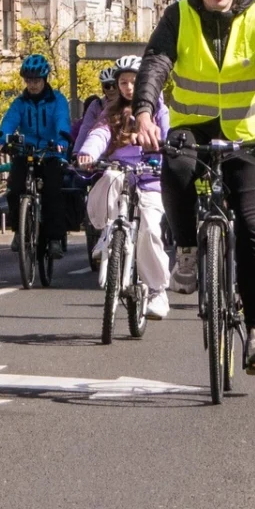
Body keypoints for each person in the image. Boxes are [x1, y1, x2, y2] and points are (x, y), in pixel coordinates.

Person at [131, 0, 255, 374]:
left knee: (253, 226)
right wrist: (144, 111)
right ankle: (186, 250)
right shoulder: (178, 16)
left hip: (248, 131)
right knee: (175, 163)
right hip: (193, 125)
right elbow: (155, 63)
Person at [77, 55, 172, 320]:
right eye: (123, 83)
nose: (129, 88)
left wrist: (164, 156)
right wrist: (88, 153)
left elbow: (167, 137)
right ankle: (107, 232)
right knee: (109, 179)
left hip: (150, 177)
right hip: (121, 171)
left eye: (134, 82)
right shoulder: (111, 111)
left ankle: (157, 291)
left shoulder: (159, 109)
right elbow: (100, 133)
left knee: (150, 230)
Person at [0, 54, 72, 259]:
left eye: (36, 81)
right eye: (29, 81)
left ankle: (54, 239)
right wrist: (2, 138)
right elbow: (9, 121)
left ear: (45, 79)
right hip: (26, 151)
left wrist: (62, 140)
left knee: (52, 192)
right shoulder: (20, 103)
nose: (33, 85)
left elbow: (62, 120)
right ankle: (19, 231)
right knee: (14, 189)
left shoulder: (57, 100)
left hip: (50, 151)